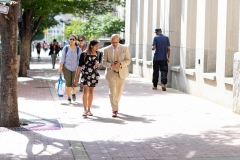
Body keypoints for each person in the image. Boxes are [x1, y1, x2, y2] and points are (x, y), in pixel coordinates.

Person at [102, 34, 131, 117]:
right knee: (112, 92)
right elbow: (104, 62)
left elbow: (128, 60)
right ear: (111, 41)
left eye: (116, 42)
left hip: (121, 73)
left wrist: (120, 64)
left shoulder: (124, 48)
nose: (115, 44)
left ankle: (115, 104)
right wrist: (111, 65)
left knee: (118, 92)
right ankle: (114, 109)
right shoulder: (106, 50)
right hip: (111, 73)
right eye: (113, 42)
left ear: (119, 41)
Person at [74, 39, 102, 117]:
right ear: (91, 46)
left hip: (94, 75)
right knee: (85, 92)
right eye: (96, 46)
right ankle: (84, 110)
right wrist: (76, 78)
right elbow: (79, 67)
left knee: (91, 92)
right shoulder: (84, 54)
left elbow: (98, 63)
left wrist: (97, 65)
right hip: (85, 74)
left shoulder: (99, 54)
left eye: (97, 46)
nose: (97, 47)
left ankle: (89, 110)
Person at [58, 35, 81, 104]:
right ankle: (69, 98)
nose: (71, 40)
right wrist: (60, 68)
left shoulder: (78, 49)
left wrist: (79, 68)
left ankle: (73, 93)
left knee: (75, 83)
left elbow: (80, 60)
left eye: (73, 39)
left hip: (75, 68)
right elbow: (62, 59)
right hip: (67, 68)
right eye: (70, 39)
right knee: (68, 83)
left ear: (75, 40)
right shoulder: (66, 48)